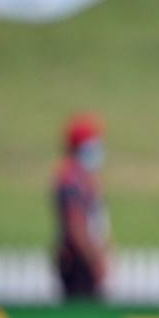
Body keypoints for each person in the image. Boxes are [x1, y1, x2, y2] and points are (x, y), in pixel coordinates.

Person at [53, 113, 110, 301]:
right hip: (79, 262)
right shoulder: (71, 180)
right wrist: (94, 260)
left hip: (85, 258)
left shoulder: (85, 178)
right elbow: (76, 226)